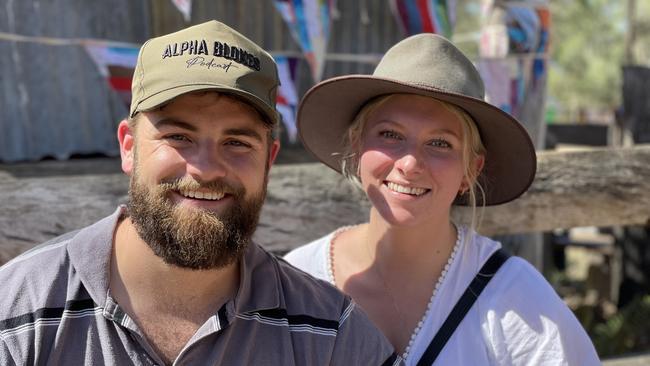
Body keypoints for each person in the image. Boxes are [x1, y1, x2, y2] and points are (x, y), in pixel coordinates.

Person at [0, 20, 400, 366]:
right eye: (178, 136)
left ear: (269, 159)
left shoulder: (331, 335)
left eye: (237, 142)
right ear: (128, 146)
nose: (206, 168)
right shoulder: (17, 313)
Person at [285, 33, 601, 365]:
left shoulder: (516, 299)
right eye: (390, 134)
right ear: (357, 145)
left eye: (440, 144)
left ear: (470, 170)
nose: (409, 164)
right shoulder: (298, 280)